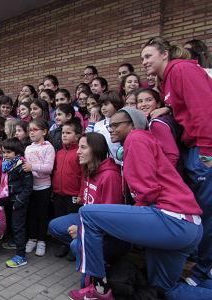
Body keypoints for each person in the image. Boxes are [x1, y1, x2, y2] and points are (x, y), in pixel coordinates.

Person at [72, 107, 209, 300]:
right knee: (164, 289)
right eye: (110, 125)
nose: (111, 129)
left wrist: (124, 220)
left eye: (117, 125)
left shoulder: (136, 138)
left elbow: (147, 191)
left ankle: (98, 289)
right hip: (189, 226)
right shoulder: (141, 141)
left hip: (172, 218)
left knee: (87, 214)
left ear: (133, 125)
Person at [141, 37, 212, 288]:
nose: (144, 62)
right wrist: (168, 109)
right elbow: (183, 106)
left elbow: (205, 110)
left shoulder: (182, 69)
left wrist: (208, 153)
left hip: (203, 150)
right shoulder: (168, 79)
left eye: (148, 56)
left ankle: (206, 270)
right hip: (193, 150)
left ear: (164, 54)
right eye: (142, 58)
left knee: (207, 211)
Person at [49, 132, 127, 295]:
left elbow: (110, 221)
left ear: (96, 150)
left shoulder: (110, 176)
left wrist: (81, 232)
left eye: (83, 147)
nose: (78, 151)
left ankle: (96, 285)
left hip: (109, 233)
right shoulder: (89, 169)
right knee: (54, 226)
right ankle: (90, 253)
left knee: (75, 244)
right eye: (79, 147)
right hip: (89, 223)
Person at [0, 138, 33, 267]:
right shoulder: (6, 165)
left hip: (18, 202)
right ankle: (14, 243)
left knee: (18, 227)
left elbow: (28, 187)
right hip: (9, 200)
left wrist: (19, 201)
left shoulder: (22, 166)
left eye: (8, 152)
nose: (6, 155)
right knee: (13, 226)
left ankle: (21, 256)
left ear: (17, 153)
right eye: (4, 152)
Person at [24, 118, 55, 256]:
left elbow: (49, 168)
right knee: (31, 214)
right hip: (31, 187)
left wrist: (33, 167)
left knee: (42, 215)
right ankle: (32, 239)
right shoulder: (28, 148)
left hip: (44, 187)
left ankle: (42, 241)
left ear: (44, 131)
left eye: (35, 130)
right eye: (30, 130)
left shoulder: (48, 147)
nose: (31, 133)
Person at [51, 119, 82, 258]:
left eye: (68, 133)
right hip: (59, 193)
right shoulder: (59, 153)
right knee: (59, 218)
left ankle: (73, 246)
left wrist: (81, 193)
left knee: (71, 222)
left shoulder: (79, 153)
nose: (64, 135)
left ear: (77, 136)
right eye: (63, 132)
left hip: (73, 195)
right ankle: (63, 244)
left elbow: (83, 175)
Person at [135, 88, 180, 167]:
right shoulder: (151, 121)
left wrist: (163, 176)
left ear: (158, 104)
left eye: (148, 100)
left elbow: (172, 155)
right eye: (140, 101)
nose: (144, 104)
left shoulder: (156, 124)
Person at [86, 91, 124, 163]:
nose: (103, 108)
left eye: (106, 104)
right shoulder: (97, 125)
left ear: (116, 104)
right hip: (106, 164)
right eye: (101, 105)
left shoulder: (124, 123)